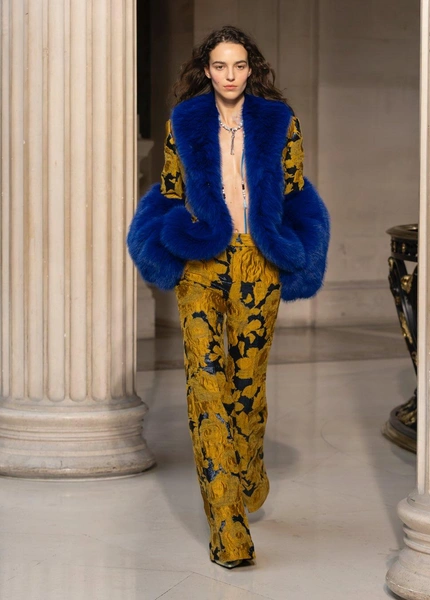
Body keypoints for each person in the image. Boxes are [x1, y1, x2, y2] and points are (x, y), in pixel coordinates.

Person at [127, 25, 330, 568]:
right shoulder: (184, 121)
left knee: (247, 385)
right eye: (220, 66)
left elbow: (293, 190)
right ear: (207, 70)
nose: (230, 75)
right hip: (201, 262)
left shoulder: (280, 122)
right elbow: (172, 189)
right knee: (206, 386)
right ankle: (227, 527)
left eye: (239, 65)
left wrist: (296, 249)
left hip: (257, 262)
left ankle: (249, 470)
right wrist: (168, 241)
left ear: (251, 68)